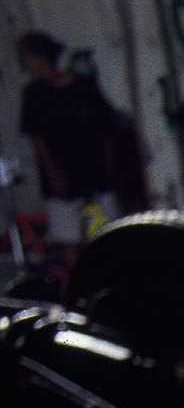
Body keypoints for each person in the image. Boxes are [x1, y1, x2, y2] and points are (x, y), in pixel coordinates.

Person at [14, 32, 141, 273]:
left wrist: (109, 167)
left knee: (105, 232)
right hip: (62, 182)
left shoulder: (83, 86)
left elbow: (107, 129)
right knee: (69, 239)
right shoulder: (34, 95)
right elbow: (39, 142)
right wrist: (54, 177)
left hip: (95, 176)